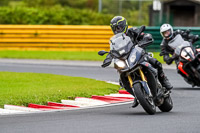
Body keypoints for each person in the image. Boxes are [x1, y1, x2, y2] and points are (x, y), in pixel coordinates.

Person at [110, 16, 173, 91]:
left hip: (139, 54)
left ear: (124, 25)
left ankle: (163, 80)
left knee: (156, 63)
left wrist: (145, 39)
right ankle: (136, 96)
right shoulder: (115, 40)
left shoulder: (133, 30)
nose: (117, 30)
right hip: (126, 59)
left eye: (118, 28)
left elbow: (145, 36)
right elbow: (114, 49)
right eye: (115, 29)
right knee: (122, 79)